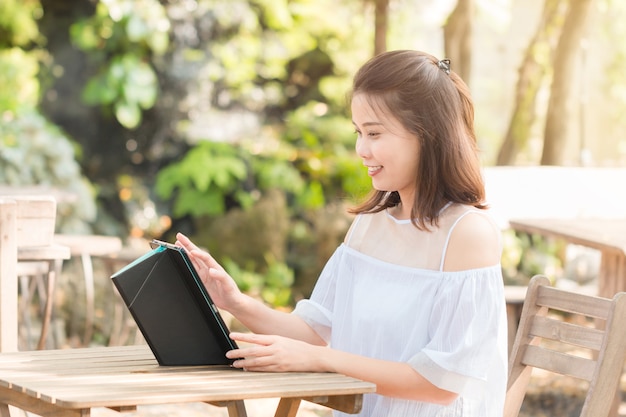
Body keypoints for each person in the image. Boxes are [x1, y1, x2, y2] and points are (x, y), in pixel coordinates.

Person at [176, 49, 507, 417]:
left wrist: (319, 359)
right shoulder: (369, 225)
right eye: (359, 132)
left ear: (428, 136)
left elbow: (442, 384)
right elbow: (315, 331)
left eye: (375, 133)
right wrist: (235, 302)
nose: (361, 149)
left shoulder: (468, 236)